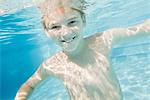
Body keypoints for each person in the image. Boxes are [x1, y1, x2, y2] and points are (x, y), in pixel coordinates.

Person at [15, 0, 150, 100]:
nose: (66, 33)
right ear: (46, 31)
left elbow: (141, 29)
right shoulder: (51, 65)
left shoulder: (103, 41)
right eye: (55, 27)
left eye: (72, 22)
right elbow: (29, 85)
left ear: (83, 20)